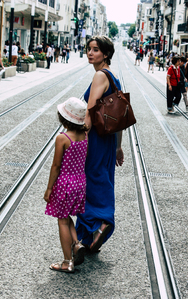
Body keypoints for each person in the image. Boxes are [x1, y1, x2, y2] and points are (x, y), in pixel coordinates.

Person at [75, 36, 124, 254]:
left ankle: (99, 225)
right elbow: (119, 118)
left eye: (95, 50)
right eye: (88, 49)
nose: (90, 53)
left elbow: (90, 110)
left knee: (87, 181)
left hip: (94, 138)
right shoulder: (114, 78)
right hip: (108, 140)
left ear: (105, 54)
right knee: (101, 179)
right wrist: (118, 147)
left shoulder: (99, 76)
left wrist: (79, 138)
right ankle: (91, 236)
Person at [44, 97, 89, 272]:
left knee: (62, 220)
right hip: (80, 182)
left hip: (65, 183)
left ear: (64, 118)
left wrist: (49, 188)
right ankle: (76, 244)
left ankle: (66, 262)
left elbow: (56, 166)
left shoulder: (62, 138)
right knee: (67, 216)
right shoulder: (84, 135)